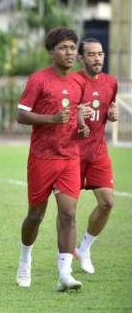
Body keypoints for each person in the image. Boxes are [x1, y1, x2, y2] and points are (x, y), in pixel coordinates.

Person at [15, 27, 91, 292]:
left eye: (72, 48)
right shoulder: (38, 80)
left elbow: (75, 110)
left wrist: (81, 123)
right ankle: (25, 259)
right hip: (42, 157)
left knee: (69, 214)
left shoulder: (79, 82)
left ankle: (65, 274)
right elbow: (21, 115)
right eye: (63, 48)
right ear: (51, 52)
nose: (69, 53)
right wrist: (50, 119)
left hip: (70, 156)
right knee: (35, 215)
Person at [73, 38, 118, 274]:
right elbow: (62, 116)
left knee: (107, 202)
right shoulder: (72, 82)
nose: (97, 58)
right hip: (71, 153)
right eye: (91, 54)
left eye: (100, 53)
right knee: (68, 210)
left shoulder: (111, 82)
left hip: (98, 152)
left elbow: (108, 109)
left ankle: (84, 248)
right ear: (81, 58)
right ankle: (64, 255)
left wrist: (112, 113)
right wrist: (78, 118)